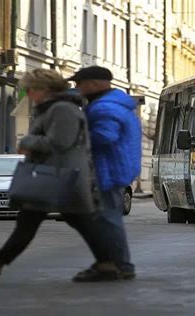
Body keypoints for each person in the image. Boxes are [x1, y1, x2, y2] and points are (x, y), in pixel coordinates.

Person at [0, 69, 110, 282]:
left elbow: (60, 143)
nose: (28, 94)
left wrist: (27, 143)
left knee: (70, 222)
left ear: (44, 89)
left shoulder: (62, 109)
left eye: (30, 89)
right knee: (35, 222)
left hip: (60, 177)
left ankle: (108, 264)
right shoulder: (51, 108)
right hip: (52, 177)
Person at [67, 66, 141, 282]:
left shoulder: (104, 108)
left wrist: (76, 136)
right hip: (117, 166)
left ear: (95, 84)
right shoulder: (113, 103)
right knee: (107, 217)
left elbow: (104, 136)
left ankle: (120, 265)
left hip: (108, 168)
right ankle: (114, 263)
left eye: (80, 84)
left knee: (109, 218)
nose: (77, 88)